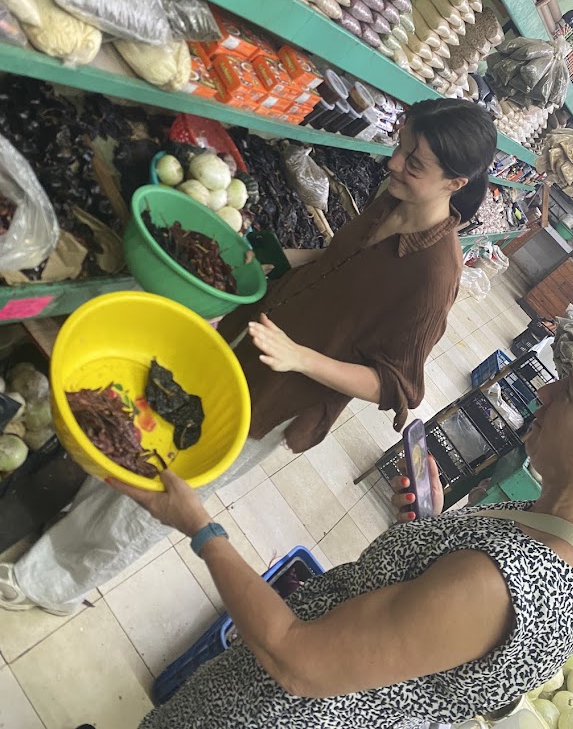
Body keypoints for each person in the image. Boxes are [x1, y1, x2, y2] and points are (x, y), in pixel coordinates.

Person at [0, 98, 498, 616]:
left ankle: (53, 584)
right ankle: (64, 541)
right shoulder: (390, 199)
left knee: (166, 491)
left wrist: (300, 358)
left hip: (273, 397)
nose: (394, 164)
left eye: (413, 163)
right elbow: (340, 261)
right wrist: (276, 258)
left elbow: (396, 386)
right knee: (142, 438)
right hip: (242, 341)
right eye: (399, 147)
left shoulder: (434, 276)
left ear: (454, 184)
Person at [99, 336, 573, 728]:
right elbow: (483, 665)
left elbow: (297, 661)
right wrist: (431, 536)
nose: (545, 391)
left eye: (570, 393)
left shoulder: (506, 583)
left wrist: (200, 527)